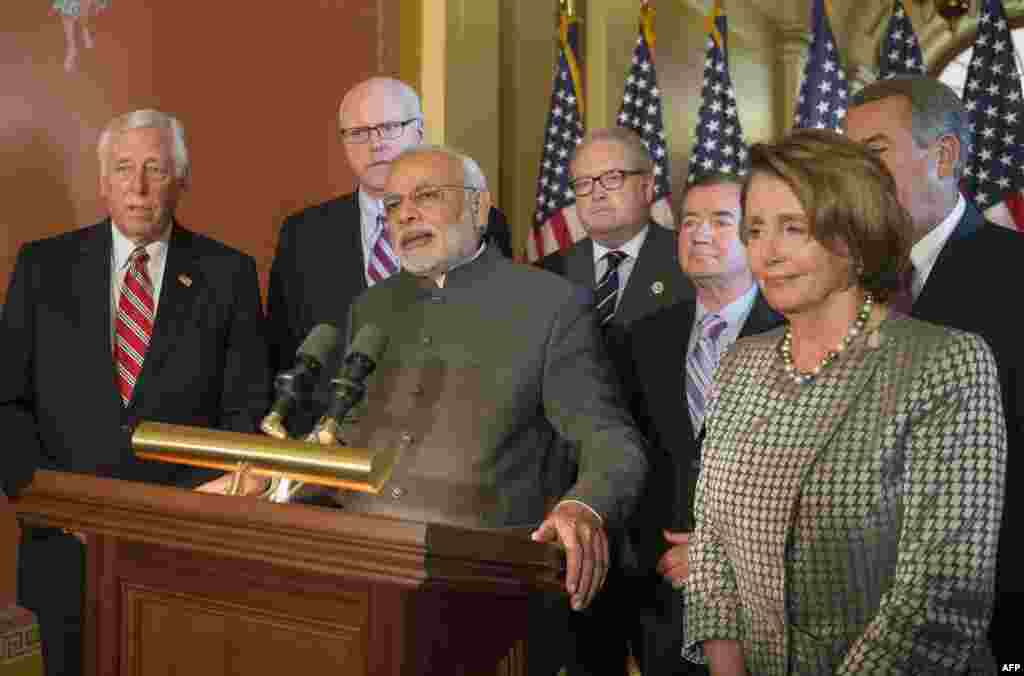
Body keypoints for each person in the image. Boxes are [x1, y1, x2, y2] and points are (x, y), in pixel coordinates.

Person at [685, 129, 1005, 675]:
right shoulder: (741, 363)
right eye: (756, 229)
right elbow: (711, 545)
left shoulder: (944, 363)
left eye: (794, 227)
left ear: (855, 235)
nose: (768, 251)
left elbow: (942, 589)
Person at [325, 143, 647, 668]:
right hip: (362, 575)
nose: (405, 214)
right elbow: (338, 435)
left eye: (426, 196)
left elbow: (612, 443)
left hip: (486, 589)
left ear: (478, 206)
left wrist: (583, 505)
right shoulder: (371, 306)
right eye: (392, 204)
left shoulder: (550, 305)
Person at [0, 108, 272, 676]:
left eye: (156, 168)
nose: (140, 185)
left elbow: (244, 414)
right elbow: (8, 403)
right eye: (124, 168)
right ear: (103, 181)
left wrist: (186, 513)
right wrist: (51, 501)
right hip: (64, 548)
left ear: (182, 179)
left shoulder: (229, 275)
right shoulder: (43, 266)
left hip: (183, 551)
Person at [845, 74, 1024, 667]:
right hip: (859, 606)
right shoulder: (846, 283)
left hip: (995, 612)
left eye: (875, 153)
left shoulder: (1014, 272)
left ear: (944, 155)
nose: (857, 177)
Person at [621, 172, 781, 675]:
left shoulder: (792, 334)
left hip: (760, 599)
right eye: (689, 221)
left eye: (720, 221)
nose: (700, 233)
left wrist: (720, 555)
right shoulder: (642, 337)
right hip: (659, 600)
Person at [267, 77, 513, 382]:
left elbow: (498, 332)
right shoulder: (303, 234)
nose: (375, 144)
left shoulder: (474, 219)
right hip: (333, 420)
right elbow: (283, 350)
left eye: (389, 127)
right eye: (359, 133)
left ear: (419, 131)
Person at [540, 128, 693, 368]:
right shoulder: (548, 274)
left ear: (646, 187)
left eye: (612, 178)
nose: (597, 193)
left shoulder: (689, 261)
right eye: (583, 183)